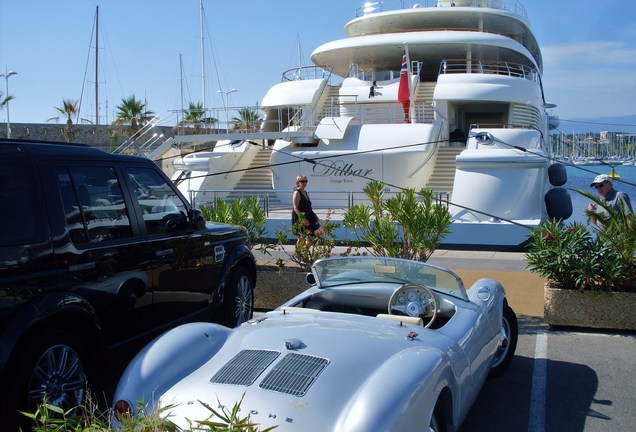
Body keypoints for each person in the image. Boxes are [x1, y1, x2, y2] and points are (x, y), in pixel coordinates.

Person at [292, 175, 320, 244]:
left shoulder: (305, 192)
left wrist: (315, 216)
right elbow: (295, 207)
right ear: (298, 182)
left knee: (311, 235)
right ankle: (298, 253)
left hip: (309, 215)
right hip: (300, 217)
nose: (304, 183)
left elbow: (308, 207)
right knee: (301, 237)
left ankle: (305, 251)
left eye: (306, 181)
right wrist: (302, 219)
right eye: (302, 181)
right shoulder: (297, 193)